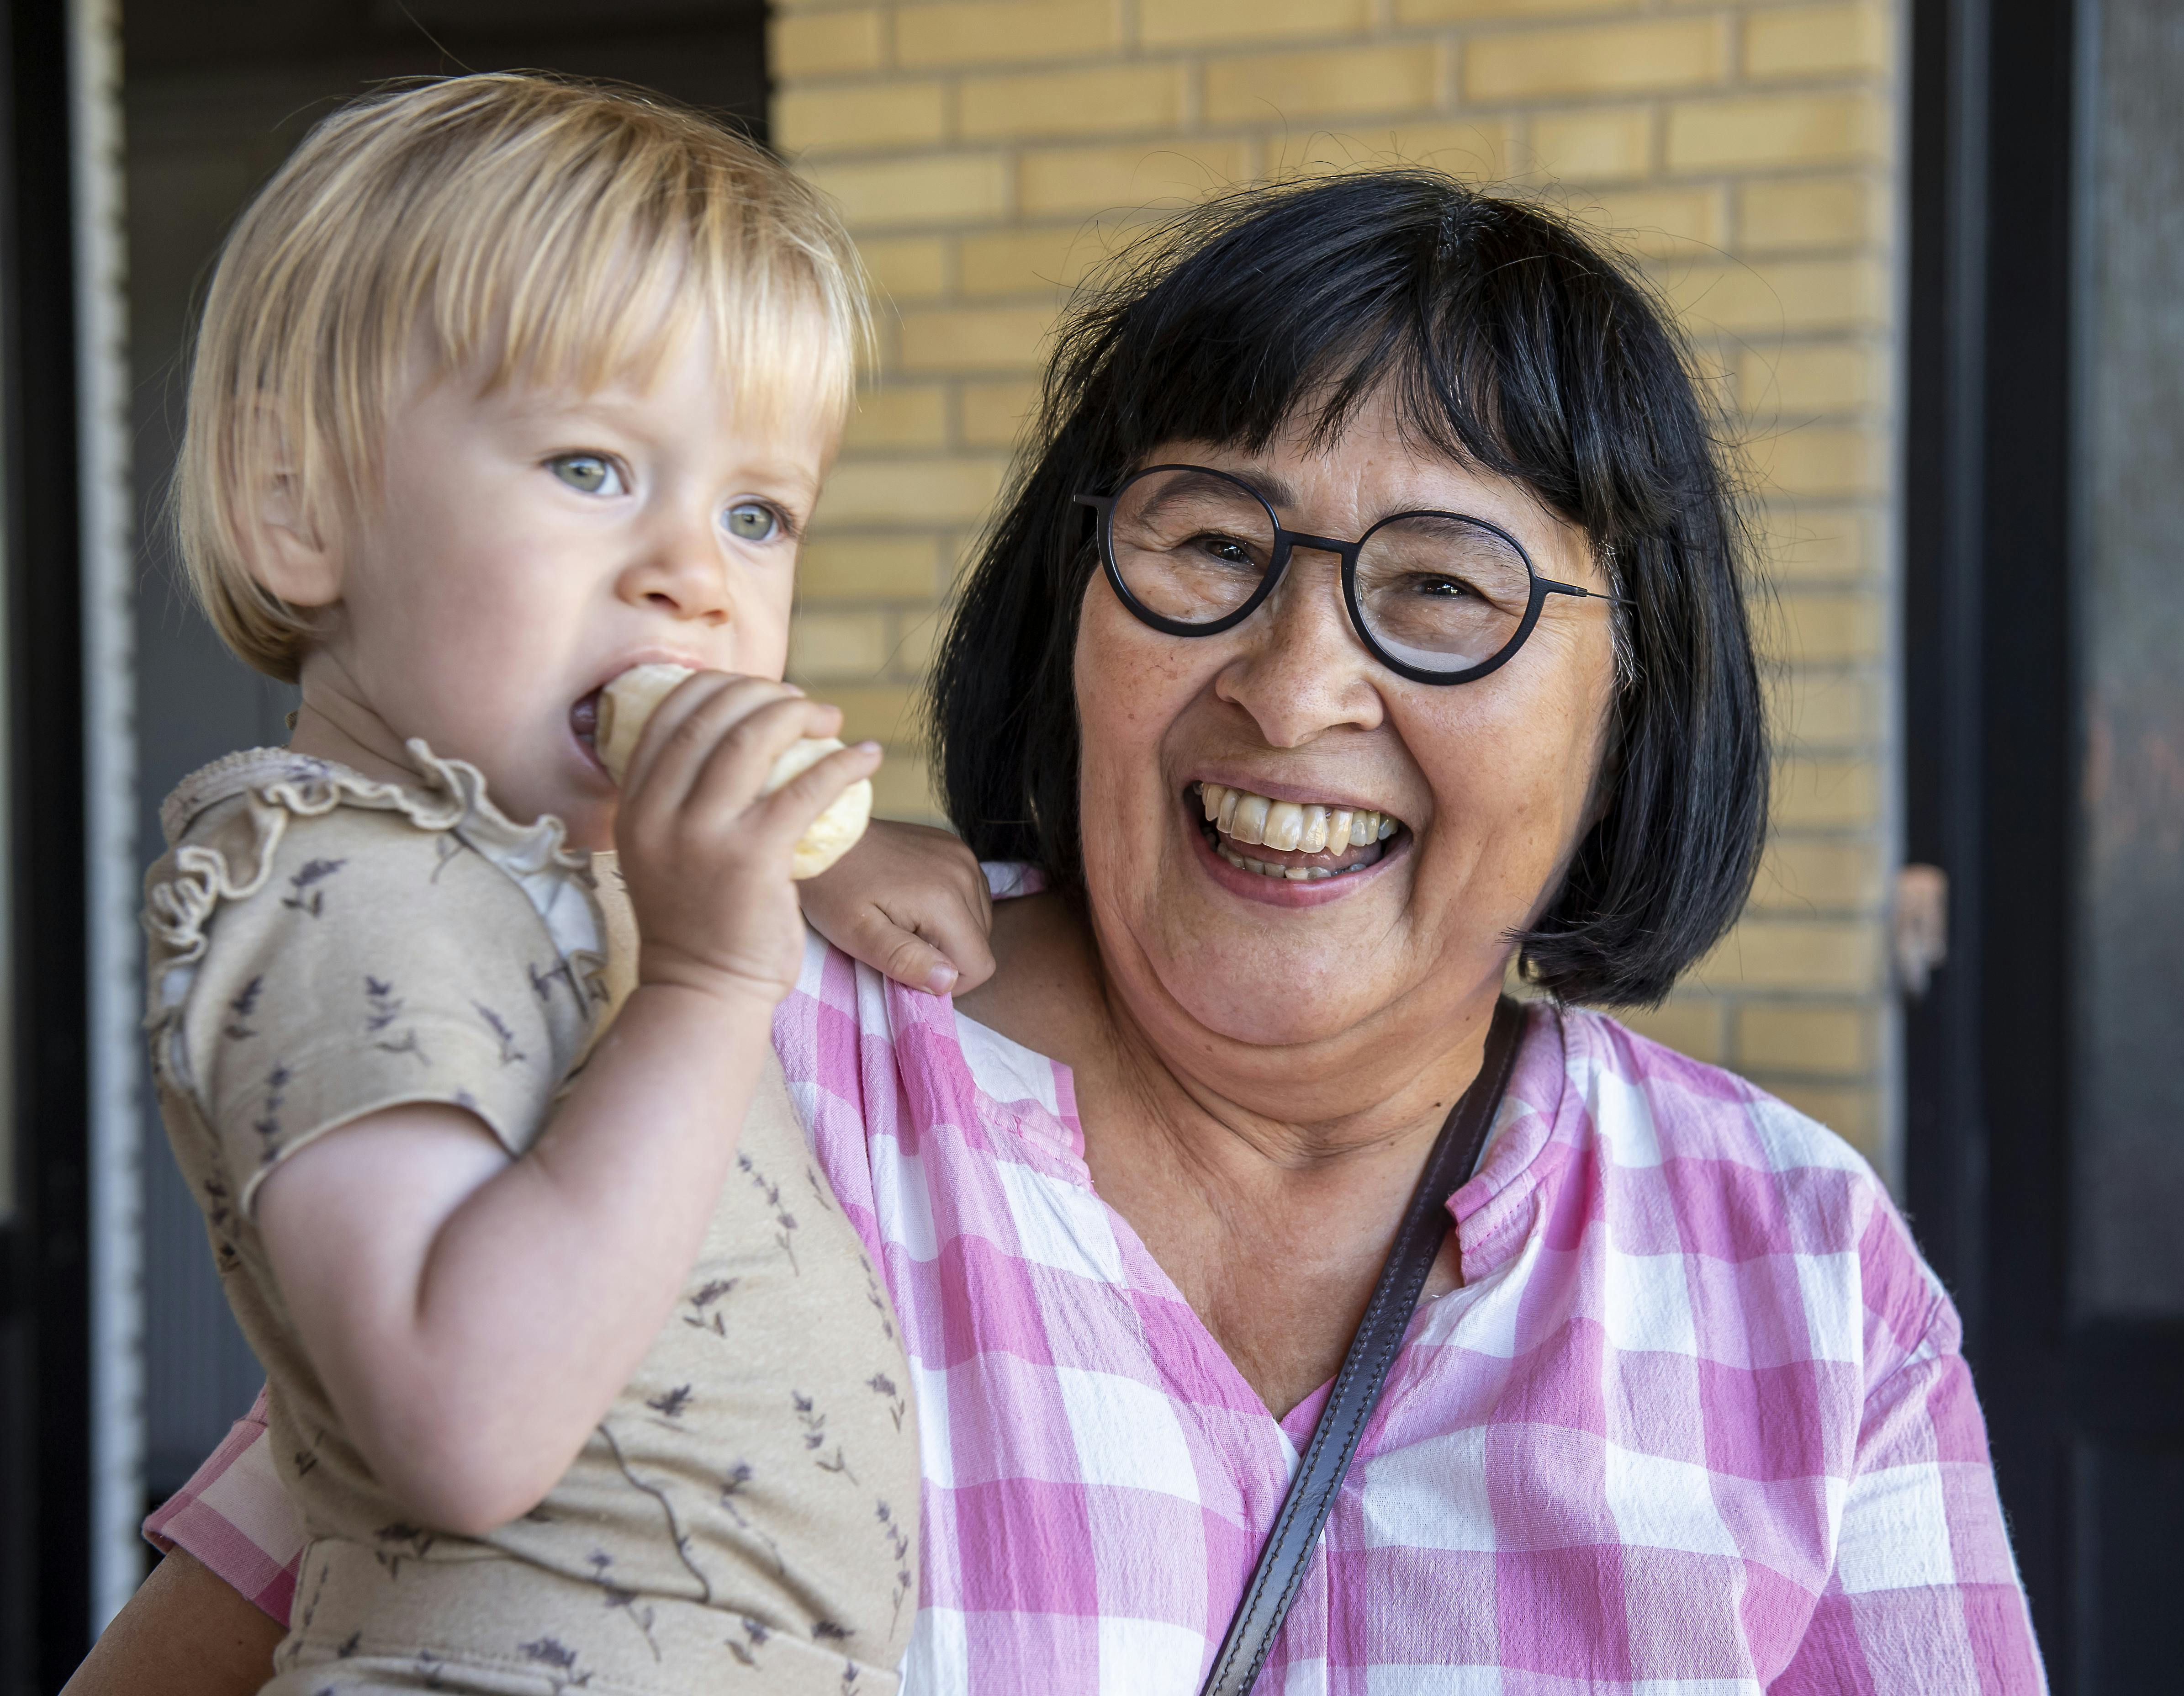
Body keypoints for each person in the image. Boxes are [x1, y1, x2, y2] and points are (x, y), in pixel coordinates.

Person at [76, 169, 2047, 1694]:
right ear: (1072, 602)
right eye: (1210, 546)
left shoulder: (1798, 1275)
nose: (1293, 693)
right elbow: (337, 1577)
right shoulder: (734, 1057)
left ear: (1636, 698)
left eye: (1444, 593)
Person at [103, 74, 1000, 1696]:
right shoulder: (335, 896)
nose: (696, 576)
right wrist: (715, 985)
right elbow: (466, 1421)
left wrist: (816, 851)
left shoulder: (497, 873)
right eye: (591, 468)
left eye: (756, 512)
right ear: (297, 510)